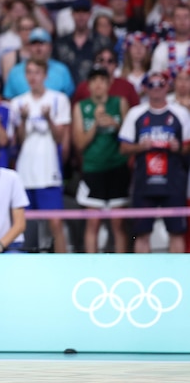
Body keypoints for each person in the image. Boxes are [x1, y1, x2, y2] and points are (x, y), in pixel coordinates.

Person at [119, 70, 190, 253]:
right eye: (152, 84)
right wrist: (140, 147)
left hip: (173, 182)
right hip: (144, 183)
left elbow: (187, 146)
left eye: (161, 84)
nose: (157, 88)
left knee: (176, 232)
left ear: (168, 86)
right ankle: (143, 277)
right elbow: (123, 148)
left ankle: (179, 278)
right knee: (142, 234)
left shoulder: (180, 113)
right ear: (145, 88)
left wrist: (178, 148)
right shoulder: (136, 114)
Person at [10, 59, 71, 253]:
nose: (32, 77)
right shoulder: (17, 102)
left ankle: (62, 264)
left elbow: (59, 138)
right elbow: (19, 141)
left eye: (37, 72)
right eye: (29, 72)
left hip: (48, 172)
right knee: (23, 226)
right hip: (25, 173)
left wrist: (48, 119)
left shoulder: (58, 99)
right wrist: (24, 119)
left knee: (55, 224)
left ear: (45, 75)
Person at [72, 66, 130, 253]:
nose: (98, 84)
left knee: (118, 224)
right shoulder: (81, 107)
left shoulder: (120, 103)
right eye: (94, 80)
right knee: (93, 223)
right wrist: (96, 124)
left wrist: (115, 125)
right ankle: (92, 268)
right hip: (92, 170)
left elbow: (130, 139)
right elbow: (79, 144)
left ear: (108, 83)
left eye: (102, 80)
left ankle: (122, 268)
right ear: (88, 85)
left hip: (117, 169)